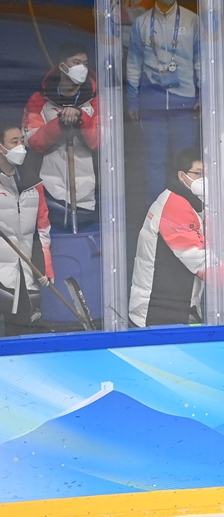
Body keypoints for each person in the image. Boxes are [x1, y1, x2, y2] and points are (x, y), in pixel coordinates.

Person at [129, 147, 224, 327]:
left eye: (207, 174)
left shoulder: (186, 202)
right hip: (159, 313)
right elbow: (202, 263)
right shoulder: (174, 207)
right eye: (198, 173)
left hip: (174, 307)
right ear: (182, 176)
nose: (204, 179)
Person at [126, 0, 201, 204]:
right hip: (151, 103)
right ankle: (156, 209)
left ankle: (187, 207)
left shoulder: (192, 20)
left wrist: (203, 93)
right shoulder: (141, 23)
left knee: (186, 161)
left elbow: (201, 60)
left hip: (185, 104)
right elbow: (134, 63)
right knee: (154, 161)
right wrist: (132, 99)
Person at [23, 42, 101, 232]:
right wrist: (59, 124)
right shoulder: (39, 99)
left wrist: (81, 119)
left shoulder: (97, 100)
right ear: (62, 67)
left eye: (85, 63)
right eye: (76, 62)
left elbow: (101, 141)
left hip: (89, 195)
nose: (82, 68)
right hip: (50, 192)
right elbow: (32, 141)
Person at [0, 123, 52, 336]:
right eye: (14, 142)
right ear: (1, 148)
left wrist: (46, 267)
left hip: (24, 272)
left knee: (21, 329)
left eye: (22, 141)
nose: (20, 146)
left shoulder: (34, 184)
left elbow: (43, 229)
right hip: (2, 273)